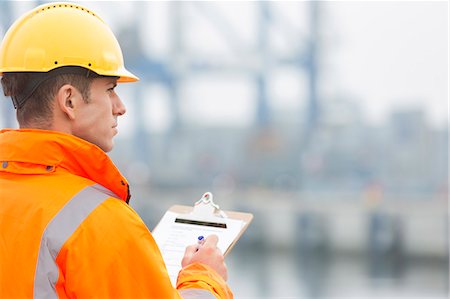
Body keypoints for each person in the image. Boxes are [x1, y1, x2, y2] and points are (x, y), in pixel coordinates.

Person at [0, 2, 232, 299]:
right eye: (110, 89)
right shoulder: (99, 224)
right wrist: (206, 279)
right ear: (69, 100)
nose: (120, 108)